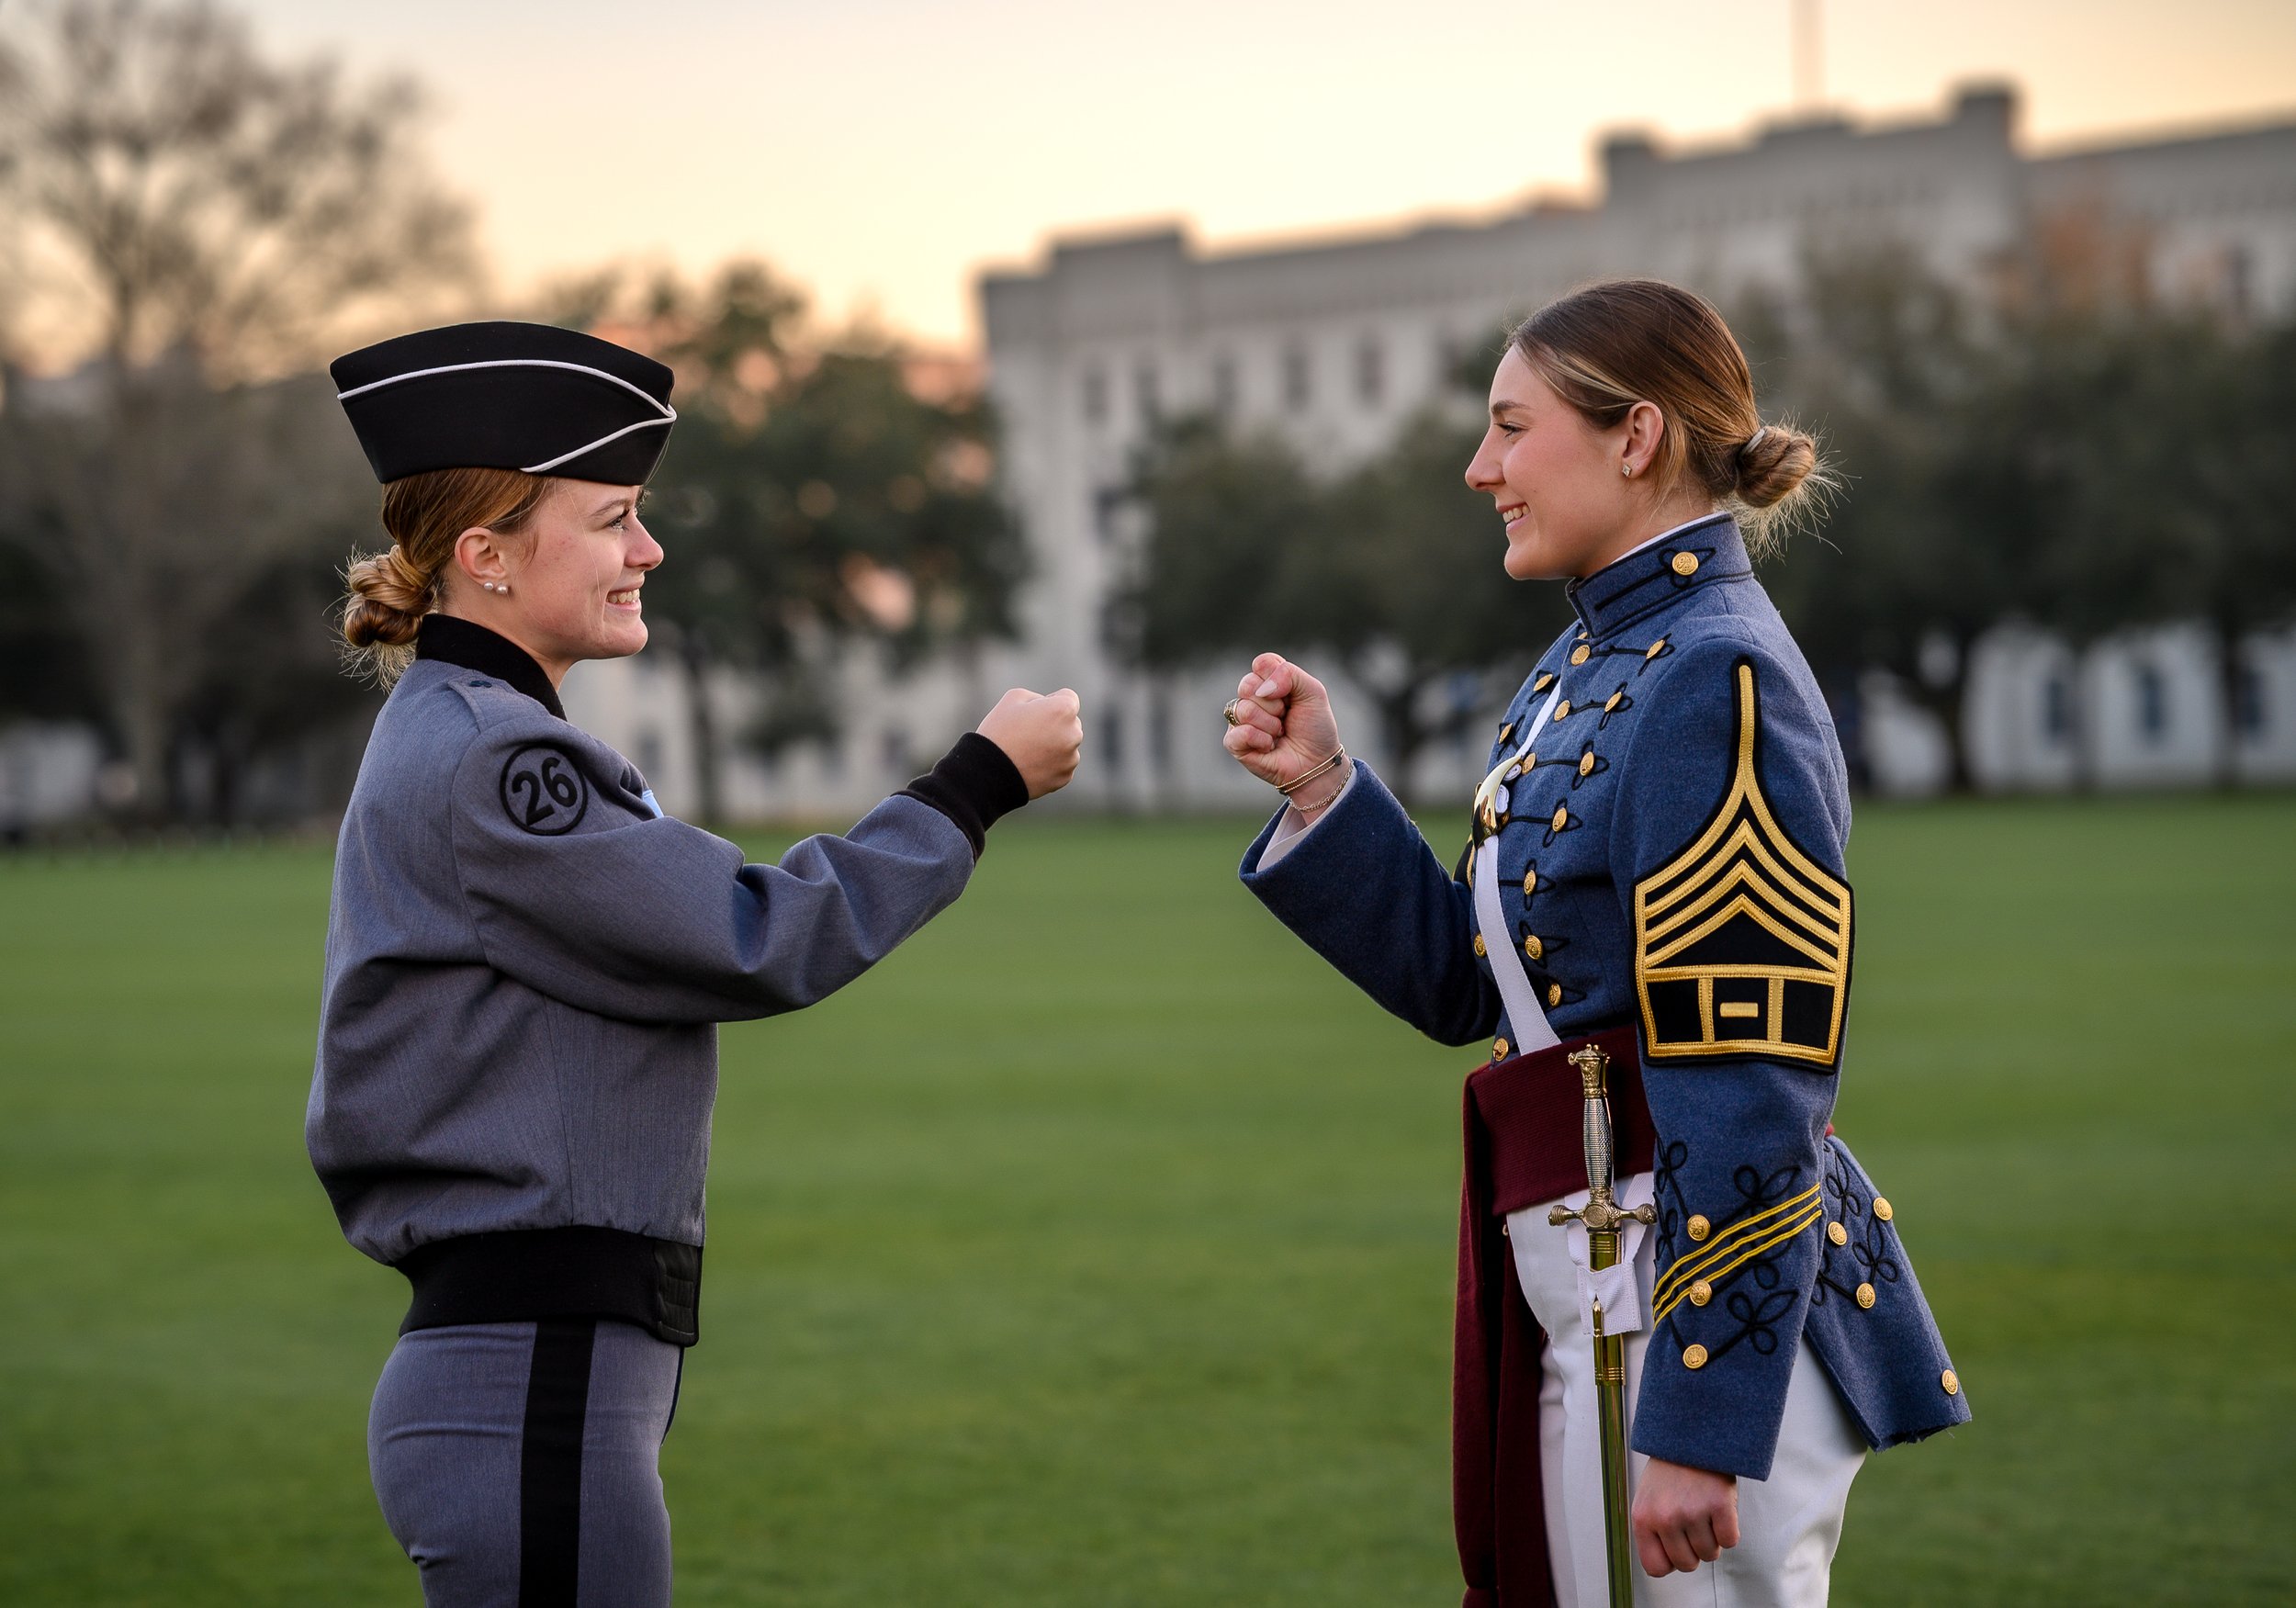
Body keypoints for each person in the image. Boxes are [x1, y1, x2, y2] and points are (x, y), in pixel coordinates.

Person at [307, 320, 1083, 1607]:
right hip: (533, 1377)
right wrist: (975, 786)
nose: (648, 550)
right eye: (613, 519)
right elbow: (753, 934)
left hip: (539, 1373)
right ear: (485, 557)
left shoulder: (471, 732)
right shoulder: (502, 760)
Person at [1221, 280, 1968, 1608]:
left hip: (1679, 1314)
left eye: (1512, 427)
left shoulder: (1713, 673)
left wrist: (1700, 1414)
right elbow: (1487, 990)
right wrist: (1326, 791)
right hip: (1592, 1279)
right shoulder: (1591, 663)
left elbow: (1752, 1069)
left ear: (1635, 437)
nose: (1481, 467)